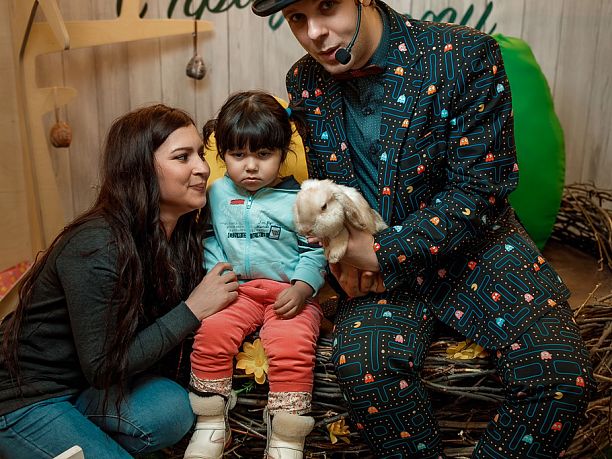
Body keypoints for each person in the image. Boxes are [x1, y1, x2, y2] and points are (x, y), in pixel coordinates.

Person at [251, 1, 596, 458]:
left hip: (475, 246)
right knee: (363, 367)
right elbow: (331, 189)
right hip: (373, 268)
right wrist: (341, 252)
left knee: (561, 376)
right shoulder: (304, 80)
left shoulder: (466, 53)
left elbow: (480, 189)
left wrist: (382, 252)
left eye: (327, 6)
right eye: (297, 18)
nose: (314, 32)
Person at [0, 104, 240, 459]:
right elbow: (103, 366)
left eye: (200, 154)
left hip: (86, 390)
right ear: (140, 169)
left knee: (172, 409)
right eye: (182, 157)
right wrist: (193, 309)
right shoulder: (99, 243)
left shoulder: (182, 235)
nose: (203, 168)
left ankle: (68, 435)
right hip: (25, 397)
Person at [184, 91, 327, 459]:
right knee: (212, 332)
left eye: (263, 155)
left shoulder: (300, 200)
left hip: (287, 294)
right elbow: (209, 238)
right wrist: (217, 274)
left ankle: (287, 437)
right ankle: (211, 422)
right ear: (222, 156)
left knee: (292, 346)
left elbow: (315, 250)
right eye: (238, 155)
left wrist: (302, 287)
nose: (250, 167)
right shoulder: (216, 194)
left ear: (282, 154)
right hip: (238, 292)